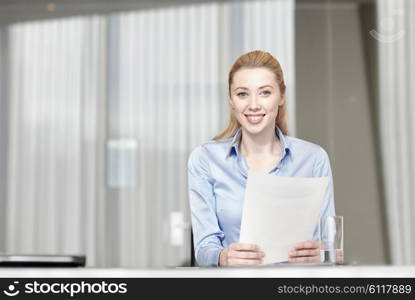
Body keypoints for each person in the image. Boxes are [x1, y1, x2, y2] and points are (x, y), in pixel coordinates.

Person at [187, 50, 335, 267]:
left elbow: (330, 245)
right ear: (231, 100)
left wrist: (322, 254)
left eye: (265, 92)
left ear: (281, 96)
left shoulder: (313, 159)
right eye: (242, 94)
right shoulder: (205, 160)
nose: (253, 105)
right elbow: (203, 248)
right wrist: (223, 257)